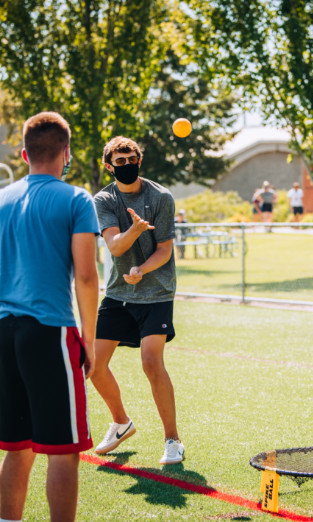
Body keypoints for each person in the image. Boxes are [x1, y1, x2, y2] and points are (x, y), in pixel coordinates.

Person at [0, 112, 99, 521]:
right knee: (63, 448)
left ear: (24, 154)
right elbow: (87, 276)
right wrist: (89, 342)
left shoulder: (1, 199)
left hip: (4, 332)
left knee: (16, 446)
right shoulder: (77, 199)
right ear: (66, 153)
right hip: (49, 332)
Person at [91, 136, 184, 465]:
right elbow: (115, 245)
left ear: (139, 161)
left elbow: (165, 250)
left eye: (132, 159)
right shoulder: (103, 199)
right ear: (109, 166)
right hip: (118, 293)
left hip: (156, 291)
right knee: (94, 365)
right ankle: (120, 422)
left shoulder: (160, 196)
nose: (127, 165)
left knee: (150, 361)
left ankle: (172, 440)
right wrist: (134, 230)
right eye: (120, 161)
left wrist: (141, 269)